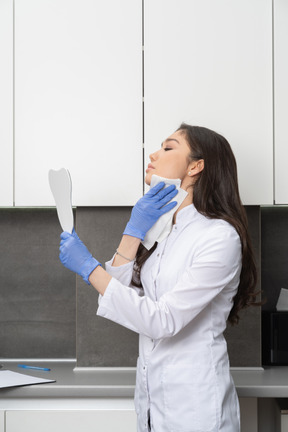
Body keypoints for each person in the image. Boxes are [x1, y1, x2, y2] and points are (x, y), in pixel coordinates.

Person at [59, 123, 258, 432]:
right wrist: (132, 232)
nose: (153, 154)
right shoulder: (164, 230)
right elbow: (122, 295)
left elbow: (162, 320)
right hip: (153, 401)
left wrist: (89, 268)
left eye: (168, 147)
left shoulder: (219, 237)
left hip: (195, 407)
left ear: (196, 166)